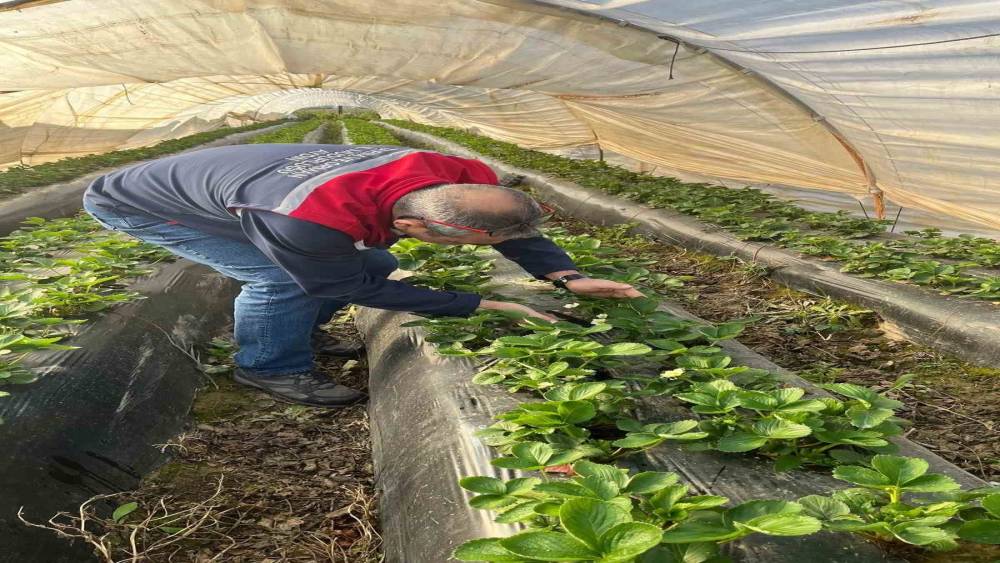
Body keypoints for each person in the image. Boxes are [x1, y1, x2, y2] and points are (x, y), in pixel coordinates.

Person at [83, 142, 642, 407]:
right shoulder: (307, 220)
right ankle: (267, 367)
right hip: (144, 202)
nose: (492, 249)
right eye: (480, 246)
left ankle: (298, 331)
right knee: (279, 279)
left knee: (376, 259)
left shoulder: (463, 176)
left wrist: (565, 276)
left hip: (244, 186)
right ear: (413, 222)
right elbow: (345, 286)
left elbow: (507, 227)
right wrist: (485, 305)